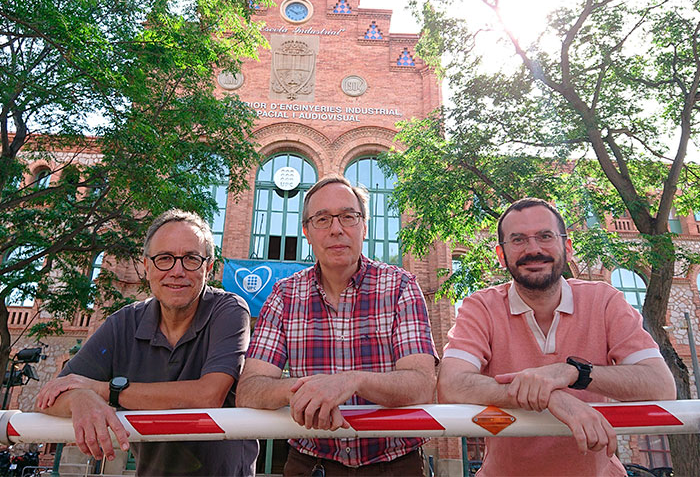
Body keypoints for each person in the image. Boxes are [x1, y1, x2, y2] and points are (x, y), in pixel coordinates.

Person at [438, 198, 676, 476]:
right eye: (518, 240)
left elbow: (661, 386)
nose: (533, 249)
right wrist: (553, 398)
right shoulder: (481, 307)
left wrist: (572, 373)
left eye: (545, 236)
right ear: (501, 255)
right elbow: (450, 385)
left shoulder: (604, 300)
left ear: (568, 247)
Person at [237, 175, 438, 477]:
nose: (336, 229)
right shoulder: (283, 295)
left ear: (364, 227)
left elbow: (421, 385)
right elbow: (250, 390)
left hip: (396, 465)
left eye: (348, 216)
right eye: (322, 219)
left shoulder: (401, 286)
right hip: (311, 465)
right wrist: (306, 391)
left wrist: (352, 381)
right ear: (306, 232)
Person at [36, 209, 258, 477]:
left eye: (191, 259)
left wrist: (104, 390)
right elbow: (49, 397)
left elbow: (208, 395)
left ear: (208, 267)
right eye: (164, 259)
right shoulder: (123, 323)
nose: (177, 271)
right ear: (147, 267)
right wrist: (79, 397)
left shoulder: (229, 310)